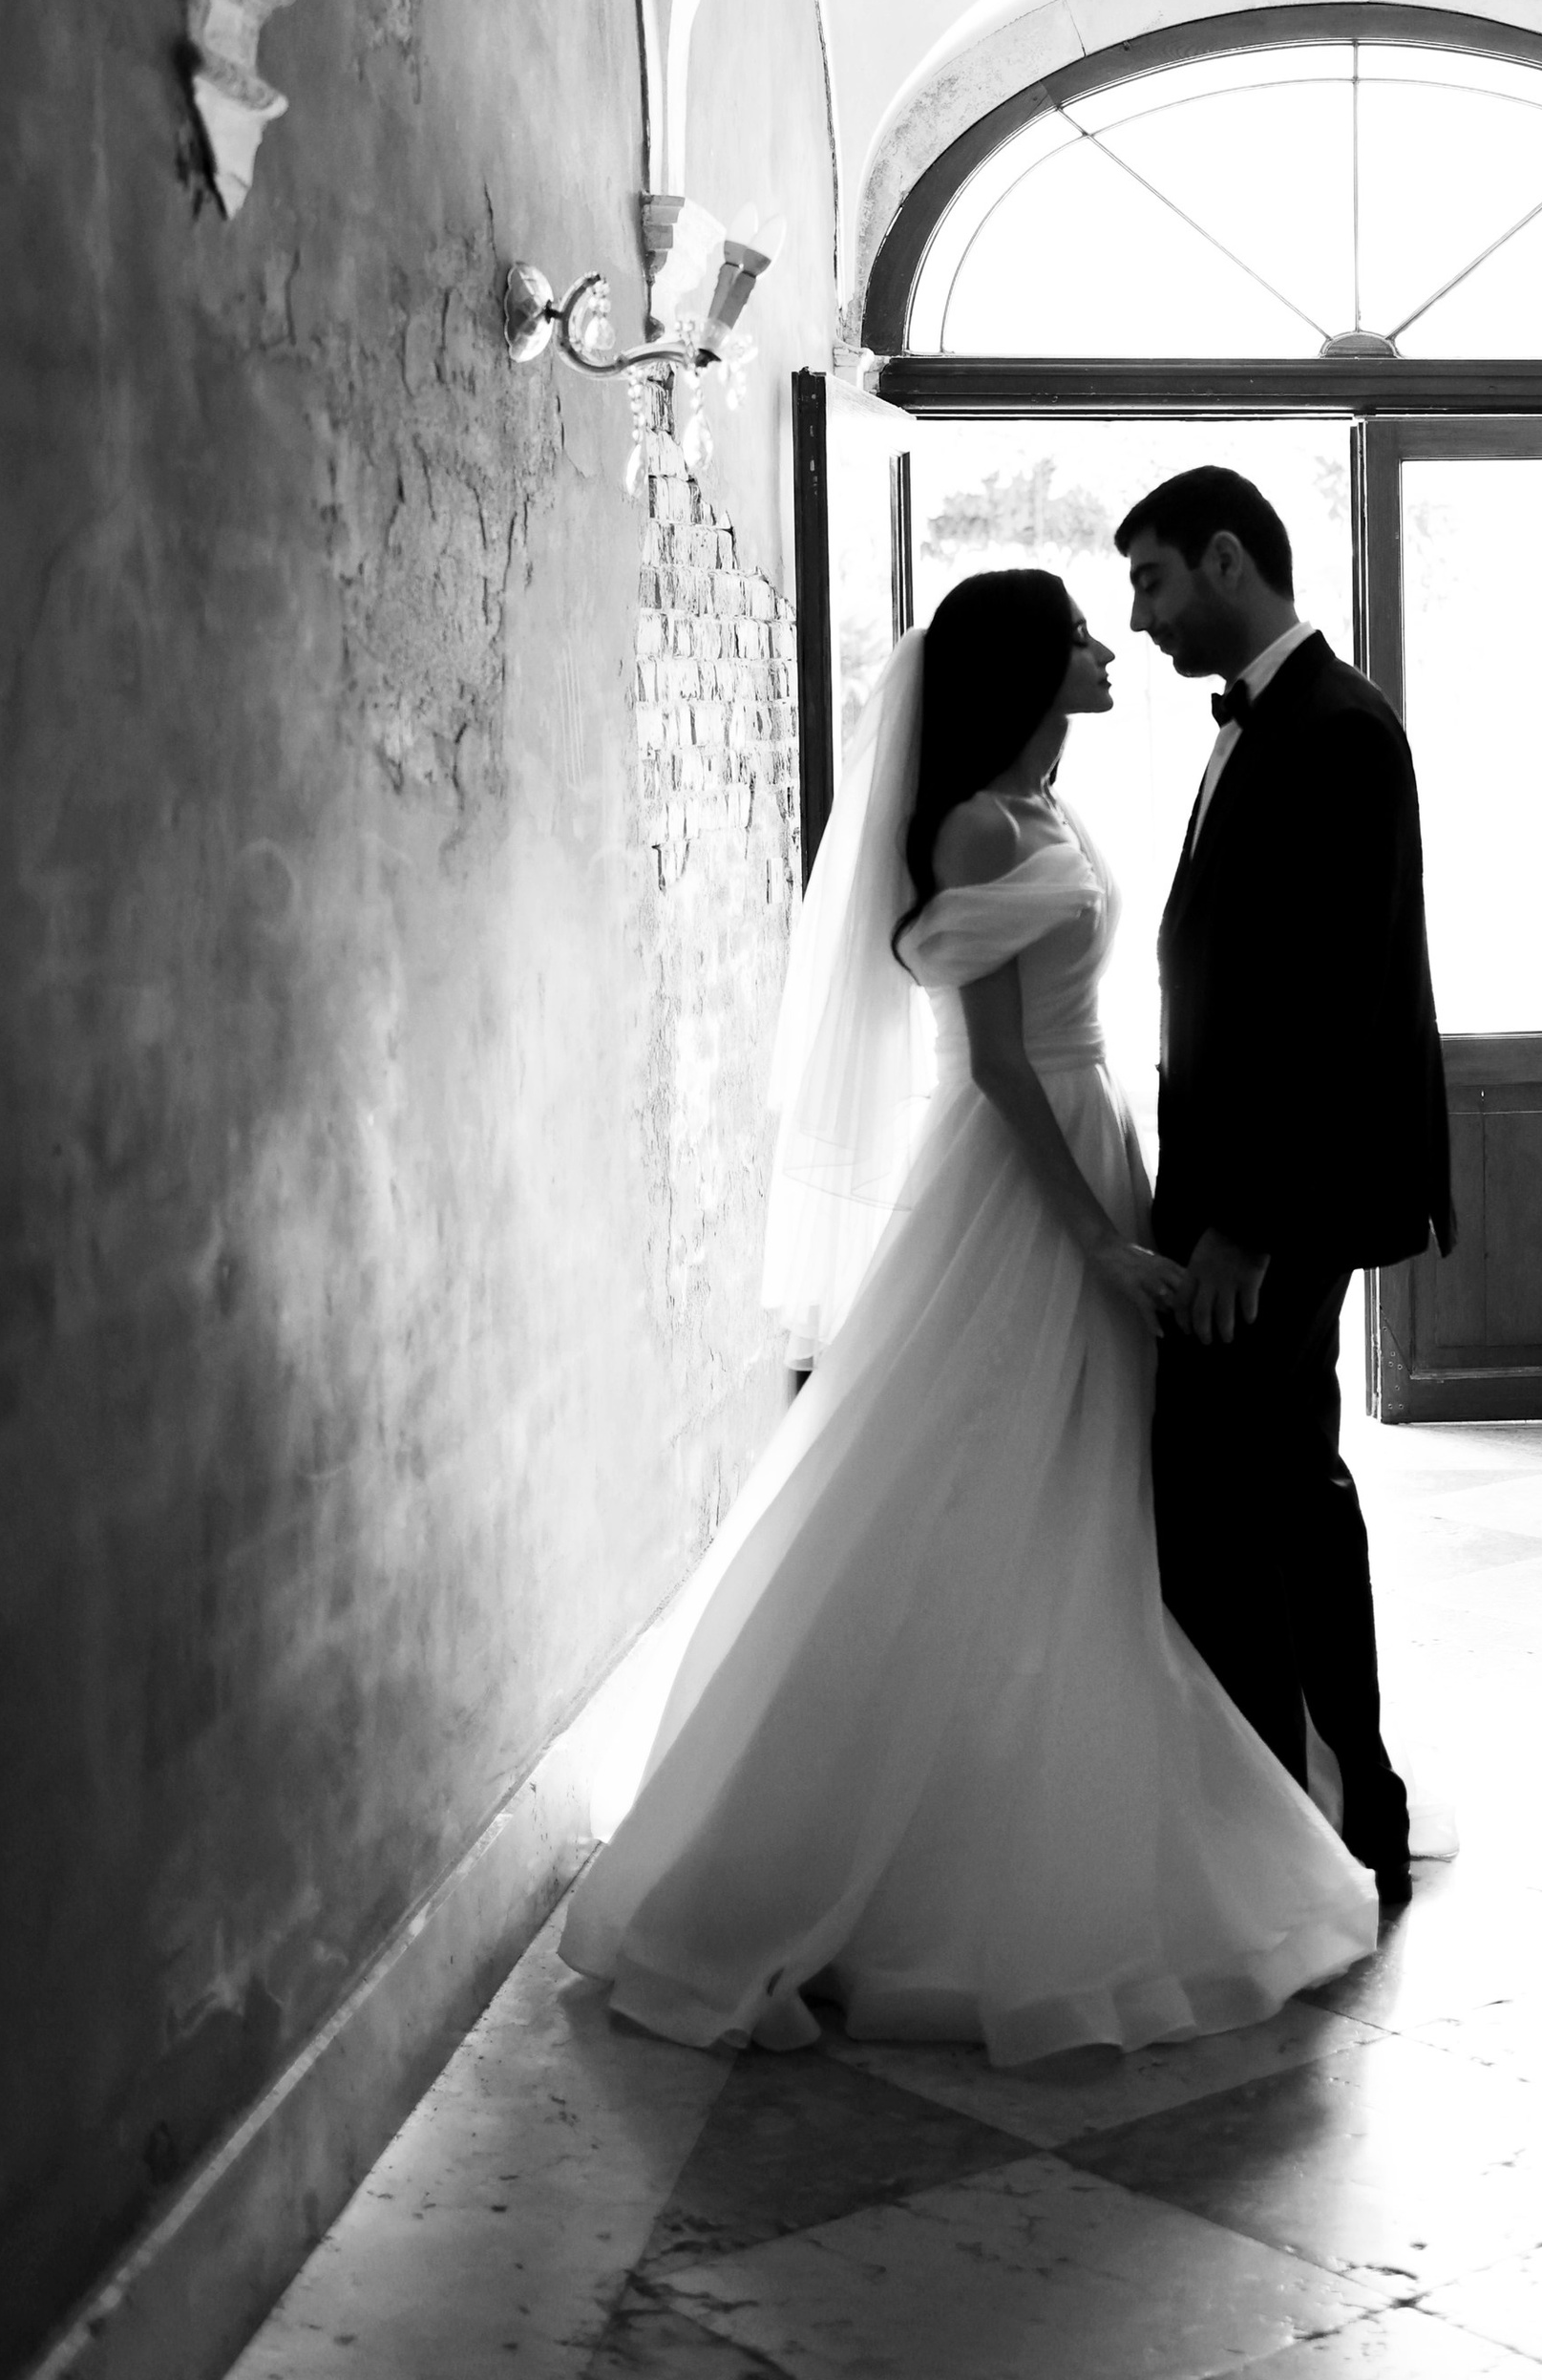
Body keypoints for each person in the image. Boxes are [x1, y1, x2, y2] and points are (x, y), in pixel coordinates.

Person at [561, 567, 1379, 2064]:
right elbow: (997, 1071)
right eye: (1074, 631)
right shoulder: (981, 826)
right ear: (1018, 671)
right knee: (983, 1482)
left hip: (1095, 1138)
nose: (1101, 643)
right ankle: (864, 1845)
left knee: (1092, 1492)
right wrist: (1098, 1246)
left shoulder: (1048, 809)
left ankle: (1048, 1785)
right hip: (1024, 1180)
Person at [1117, 467, 1452, 1909]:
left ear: (1230, 559)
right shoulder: (1270, 722)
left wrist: (1246, 1222)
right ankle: (1291, 1791)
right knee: (1253, 1486)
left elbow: (1333, 1000)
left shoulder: (1340, 729)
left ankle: (1336, 1806)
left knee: (1274, 1491)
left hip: (1279, 1205)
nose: (1140, 620)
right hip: (1239, 1193)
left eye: (1155, 583)